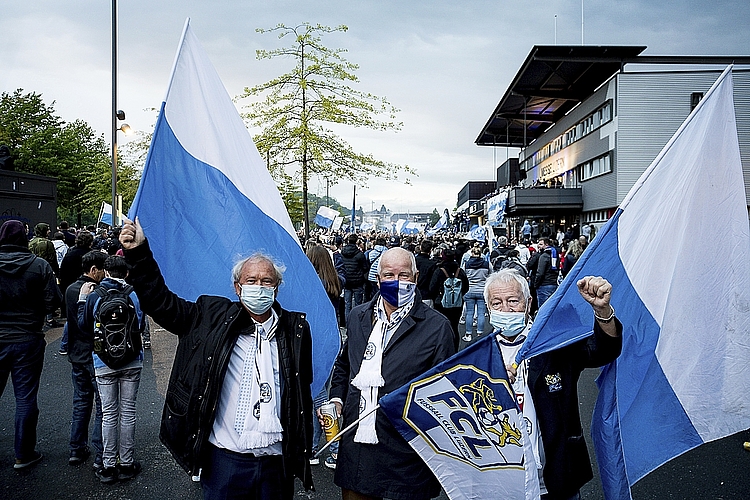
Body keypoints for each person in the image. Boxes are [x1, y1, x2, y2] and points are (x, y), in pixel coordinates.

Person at [119, 216, 313, 499]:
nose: (258, 287)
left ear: (276, 288)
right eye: (251, 280)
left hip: (276, 464)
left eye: (266, 281)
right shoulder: (209, 316)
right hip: (226, 462)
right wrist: (138, 253)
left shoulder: (295, 330)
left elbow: (300, 387)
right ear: (237, 287)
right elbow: (160, 302)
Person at [328, 247, 455, 500]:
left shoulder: (437, 326)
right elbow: (344, 364)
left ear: (416, 278)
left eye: (404, 275)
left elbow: (446, 389)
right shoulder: (358, 316)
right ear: (378, 279)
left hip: (406, 454)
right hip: (358, 449)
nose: (396, 282)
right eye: (389, 275)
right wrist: (336, 400)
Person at [485, 269, 622, 499]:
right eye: (496, 303)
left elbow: (603, 351)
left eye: (512, 301)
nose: (505, 309)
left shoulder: (553, 342)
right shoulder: (480, 355)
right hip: (504, 480)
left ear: (528, 303)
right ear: (487, 307)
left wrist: (602, 311)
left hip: (558, 473)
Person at [78, 255, 146, 484]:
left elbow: (83, 325)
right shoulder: (134, 294)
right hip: (132, 359)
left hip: (102, 361)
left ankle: (108, 465)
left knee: (108, 414)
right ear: (126, 273)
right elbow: (140, 324)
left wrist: (81, 301)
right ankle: (126, 463)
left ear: (106, 272)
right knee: (128, 412)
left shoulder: (95, 295)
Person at [0, 220, 62, 469]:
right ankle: (23, 453)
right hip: (28, 337)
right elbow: (53, 302)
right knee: (25, 397)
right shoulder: (39, 266)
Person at [65, 250, 107, 469]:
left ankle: (76, 448)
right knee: (102, 406)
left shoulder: (70, 290)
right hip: (93, 353)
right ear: (94, 270)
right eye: (102, 270)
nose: (104, 274)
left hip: (76, 353)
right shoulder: (95, 293)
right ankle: (101, 452)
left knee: (80, 402)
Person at [305, 245, 343, 469]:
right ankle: (313, 447)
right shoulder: (335, 282)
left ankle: (335, 448)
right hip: (332, 342)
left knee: (320, 402)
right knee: (323, 399)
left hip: (313, 346)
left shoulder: (309, 286)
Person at [430, 247, 469, 349]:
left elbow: (432, 287)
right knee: (455, 326)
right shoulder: (460, 271)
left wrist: (438, 297)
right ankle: (455, 348)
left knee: (442, 326)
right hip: (457, 303)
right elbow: (466, 287)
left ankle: (444, 348)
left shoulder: (439, 271)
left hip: (441, 303)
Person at [461, 246, 490, 343]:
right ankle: (480, 334)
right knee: (481, 313)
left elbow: (463, 276)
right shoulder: (486, 264)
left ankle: (468, 334)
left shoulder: (466, 264)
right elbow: (491, 274)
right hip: (482, 291)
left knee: (470, 313)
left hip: (469, 290)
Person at [340, 234, 368, 321]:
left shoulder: (342, 252)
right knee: (358, 304)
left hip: (347, 281)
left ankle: (348, 321)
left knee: (347, 304)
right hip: (357, 281)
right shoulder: (360, 254)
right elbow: (365, 267)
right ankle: (357, 322)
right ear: (356, 241)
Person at [532, 238, 560, 308]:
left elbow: (540, 273)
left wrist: (536, 284)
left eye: (541, 244)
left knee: (543, 308)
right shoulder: (555, 255)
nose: (538, 246)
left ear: (546, 245)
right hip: (553, 284)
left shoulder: (544, 256)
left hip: (544, 285)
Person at [414, 239, 437, 307]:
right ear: (431, 250)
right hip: (427, 296)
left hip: (413, 294)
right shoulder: (432, 264)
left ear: (420, 248)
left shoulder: (413, 261)